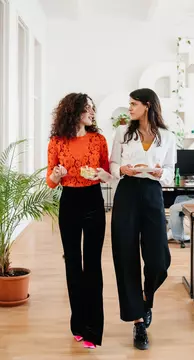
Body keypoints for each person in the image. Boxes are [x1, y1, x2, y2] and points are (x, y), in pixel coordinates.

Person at [110, 88, 176, 350]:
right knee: (125, 255)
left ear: (147, 105)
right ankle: (138, 321)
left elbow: (171, 170)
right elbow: (113, 165)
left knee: (159, 259)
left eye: (134, 104)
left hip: (152, 193)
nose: (130, 108)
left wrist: (161, 174)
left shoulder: (168, 136)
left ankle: (147, 297)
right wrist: (122, 169)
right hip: (127, 192)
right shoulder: (122, 133)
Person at [46, 93, 112, 349]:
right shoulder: (57, 141)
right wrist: (57, 173)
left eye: (93, 109)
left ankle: (94, 330)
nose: (92, 113)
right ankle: (78, 324)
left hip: (93, 200)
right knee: (73, 263)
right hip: (69, 202)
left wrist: (101, 173)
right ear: (74, 111)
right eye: (88, 109)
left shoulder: (98, 140)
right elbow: (51, 183)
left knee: (92, 265)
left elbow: (107, 175)